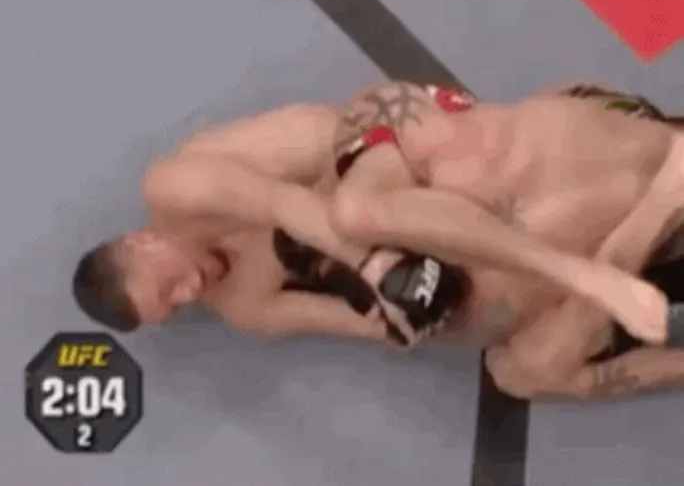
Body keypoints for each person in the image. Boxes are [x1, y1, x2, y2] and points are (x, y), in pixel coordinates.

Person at [72, 80, 684, 399]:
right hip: (423, 225)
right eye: (175, 307)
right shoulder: (244, 306)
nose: (190, 292)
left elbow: (300, 185)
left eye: (169, 285)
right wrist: (398, 316)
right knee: (517, 372)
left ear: (144, 241)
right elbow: (369, 328)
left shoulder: (176, 185)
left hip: (381, 147)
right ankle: (638, 239)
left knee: (361, 211)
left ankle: (616, 246)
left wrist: (372, 261)